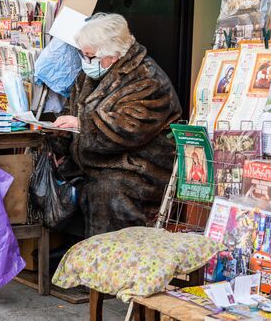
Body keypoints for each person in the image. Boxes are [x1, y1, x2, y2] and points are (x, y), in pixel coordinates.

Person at [52, 13, 182, 237]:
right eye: (83, 55)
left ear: (113, 55)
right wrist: (59, 137)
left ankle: (105, 265)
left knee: (105, 192)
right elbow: (71, 110)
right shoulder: (91, 73)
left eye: (90, 56)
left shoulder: (148, 79)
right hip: (96, 164)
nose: (85, 61)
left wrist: (82, 125)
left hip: (137, 171)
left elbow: (128, 128)